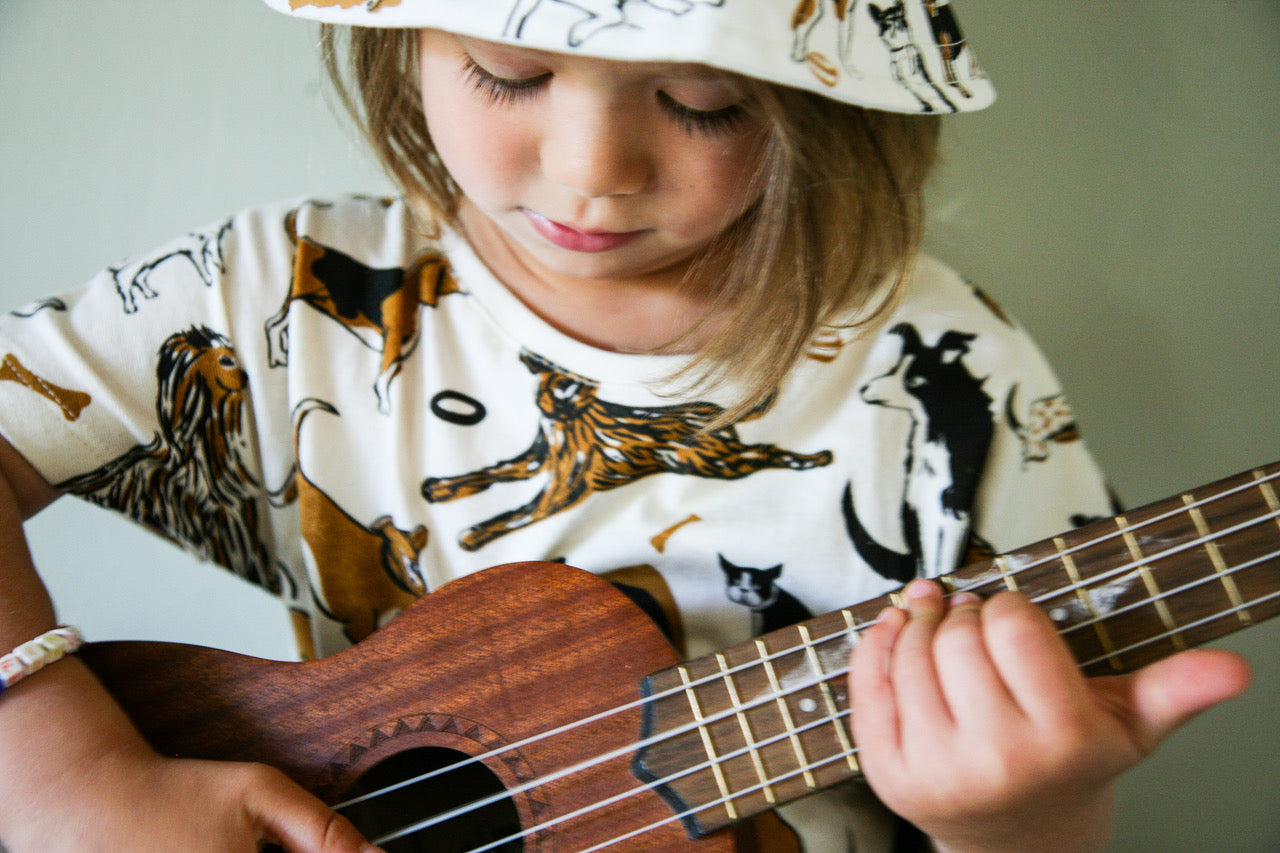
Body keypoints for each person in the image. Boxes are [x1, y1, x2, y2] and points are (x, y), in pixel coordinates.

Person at [0, 1, 1251, 851]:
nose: (591, 167)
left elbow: (1041, 734)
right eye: (509, 71)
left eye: (702, 99)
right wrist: (60, 772)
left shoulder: (947, 374)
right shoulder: (276, 295)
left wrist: (1014, 825)